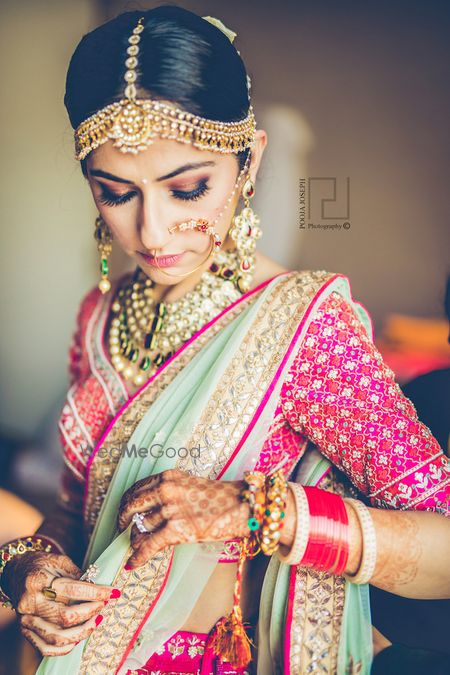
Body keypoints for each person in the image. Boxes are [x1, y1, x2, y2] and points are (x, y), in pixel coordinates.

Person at [0, 7, 449, 675]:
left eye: (188, 189)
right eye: (115, 192)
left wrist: (257, 509)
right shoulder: (100, 317)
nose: (152, 232)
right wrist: (28, 566)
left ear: (249, 162)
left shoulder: (305, 325)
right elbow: (81, 515)